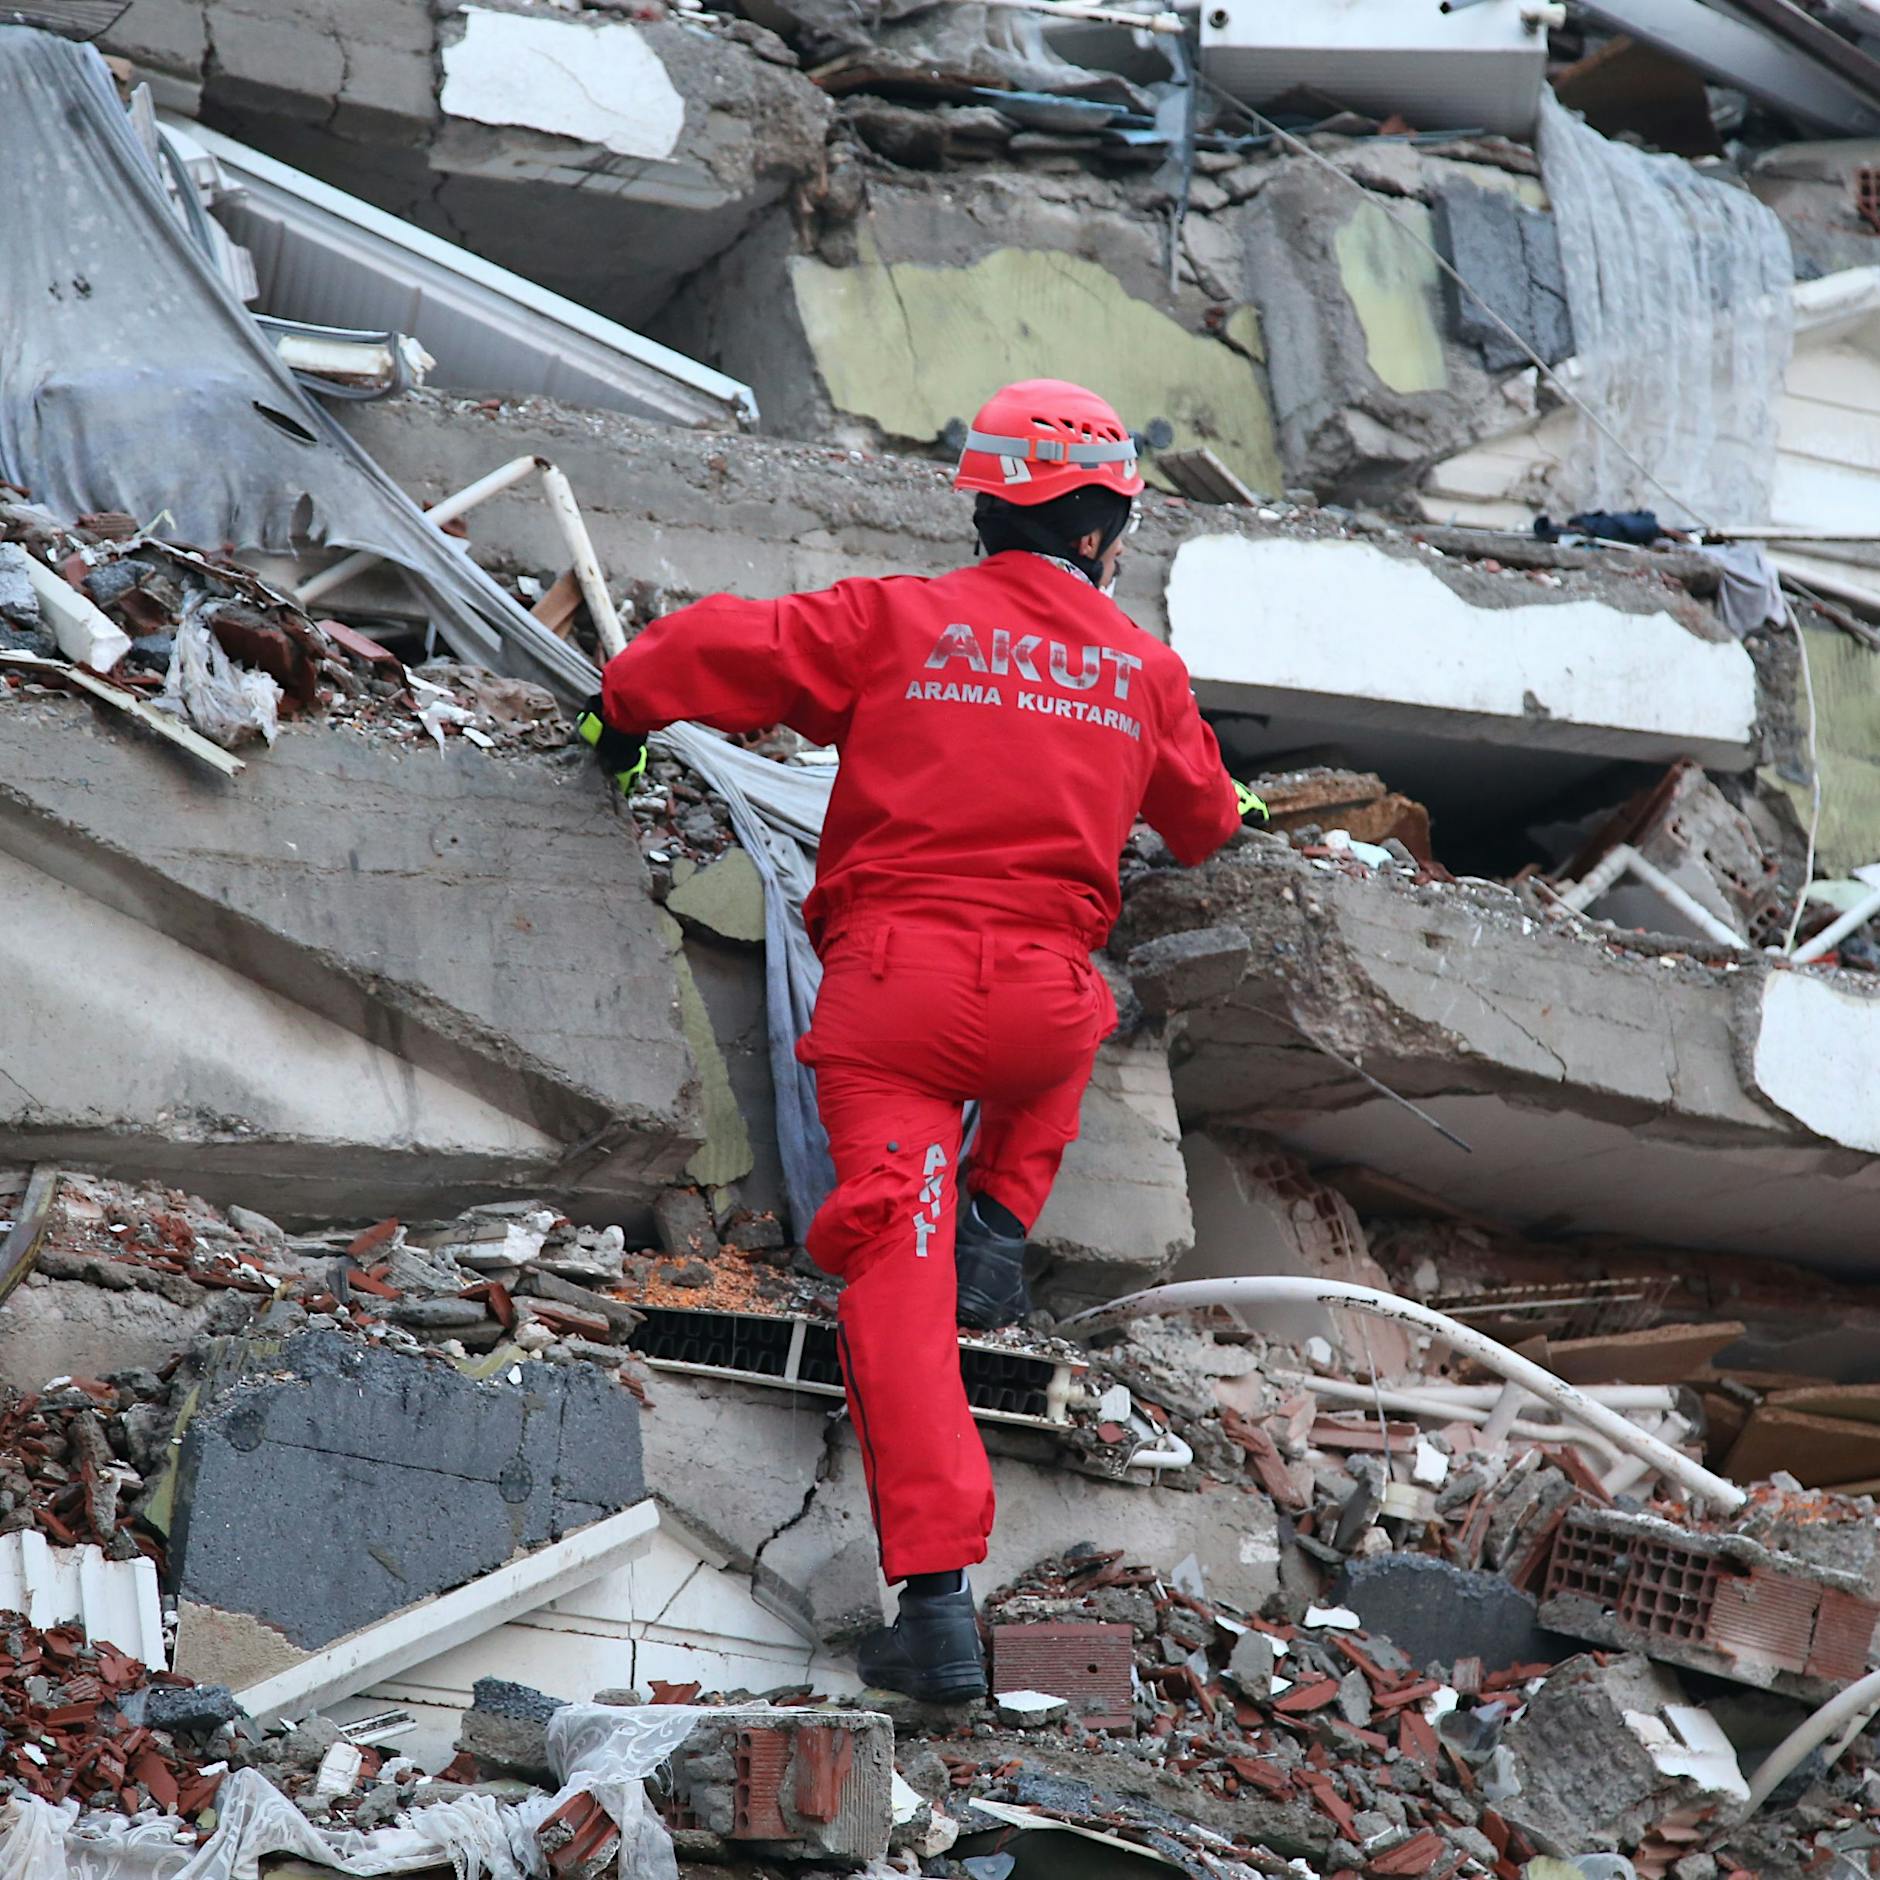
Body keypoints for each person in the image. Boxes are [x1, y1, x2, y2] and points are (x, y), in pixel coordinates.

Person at [578, 379, 1260, 1700]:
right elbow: (1209, 826)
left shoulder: (897, 621)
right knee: (1064, 1029)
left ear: (986, 511)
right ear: (1111, 528)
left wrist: (617, 721)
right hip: (1043, 1015)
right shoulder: (1145, 672)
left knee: (897, 1288)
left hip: (896, 1005)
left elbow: (698, 654)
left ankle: (938, 1605)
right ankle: (1001, 1226)